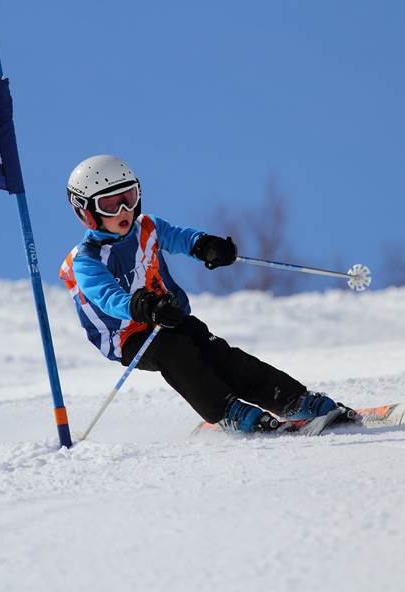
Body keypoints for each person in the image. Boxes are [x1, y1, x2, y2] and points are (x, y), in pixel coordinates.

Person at [59, 155, 338, 433]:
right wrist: (143, 306)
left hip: (167, 315)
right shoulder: (87, 260)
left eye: (128, 198)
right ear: (87, 213)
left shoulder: (147, 228)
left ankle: (292, 399)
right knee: (174, 352)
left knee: (218, 353)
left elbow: (181, 238)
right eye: (109, 205)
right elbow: (107, 297)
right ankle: (228, 413)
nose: (123, 210)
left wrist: (206, 246)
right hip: (126, 335)